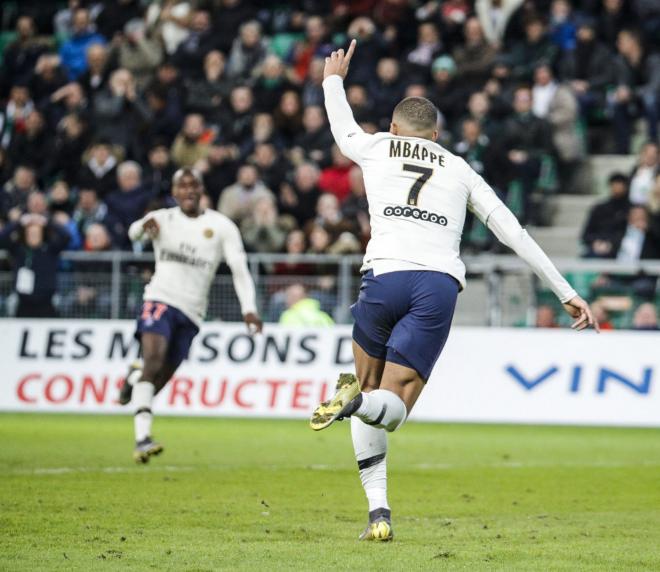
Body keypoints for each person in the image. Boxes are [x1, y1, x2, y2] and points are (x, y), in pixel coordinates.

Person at [309, 41, 598, 542]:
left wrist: (333, 79)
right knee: (394, 406)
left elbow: (343, 129)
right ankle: (360, 428)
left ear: (397, 128)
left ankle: (377, 507)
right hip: (435, 285)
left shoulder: (377, 145)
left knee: (369, 386)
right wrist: (565, 290)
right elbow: (513, 232)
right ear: (437, 136)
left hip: (382, 278)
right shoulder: (460, 169)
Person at [118, 168, 262, 463]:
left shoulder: (221, 226)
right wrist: (144, 226)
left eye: (193, 185)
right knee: (154, 360)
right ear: (174, 193)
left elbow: (239, 269)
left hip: (193, 312)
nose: (188, 191)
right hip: (159, 298)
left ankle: (134, 379)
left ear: (201, 190)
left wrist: (249, 309)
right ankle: (142, 438)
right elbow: (132, 232)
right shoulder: (162, 218)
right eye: (182, 186)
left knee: (160, 377)